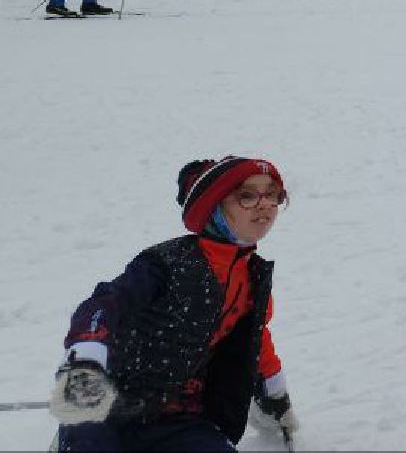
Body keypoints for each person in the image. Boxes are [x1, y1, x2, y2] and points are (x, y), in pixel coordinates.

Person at [49, 157, 299, 452]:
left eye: (272, 194)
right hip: (105, 410)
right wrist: (85, 360)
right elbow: (103, 305)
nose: (265, 204)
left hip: (179, 420)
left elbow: (255, 338)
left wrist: (274, 392)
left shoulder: (251, 277)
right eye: (247, 195)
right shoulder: (168, 262)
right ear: (214, 207)